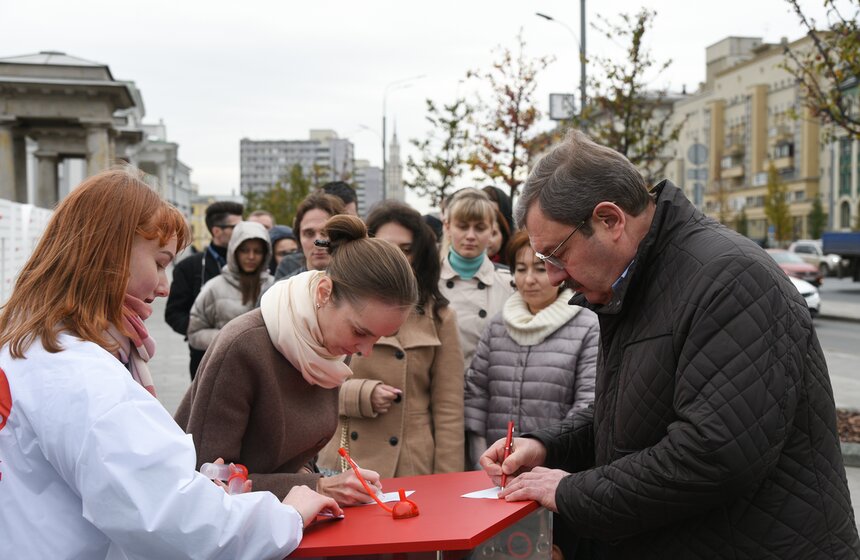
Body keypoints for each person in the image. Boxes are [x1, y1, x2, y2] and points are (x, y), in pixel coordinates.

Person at [481, 130, 860, 558]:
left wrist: (571, 491)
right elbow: (633, 412)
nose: (553, 276)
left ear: (610, 220)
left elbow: (713, 453)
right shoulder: (640, 278)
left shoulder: (731, 279)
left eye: (556, 255)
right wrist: (547, 445)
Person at [0, 168, 339, 559]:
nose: (164, 286)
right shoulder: (86, 377)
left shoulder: (24, 346)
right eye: (160, 263)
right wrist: (286, 515)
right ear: (110, 255)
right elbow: (171, 521)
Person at [175, 215, 419, 505]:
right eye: (360, 332)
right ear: (324, 292)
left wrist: (315, 481)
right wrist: (319, 486)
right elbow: (209, 479)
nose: (365, 350)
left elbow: (296, 456)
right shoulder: (243, 346)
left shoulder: (330, 346)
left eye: (378, 338)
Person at [317, 201, 465, 478]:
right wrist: (360, 394)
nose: (395, 257)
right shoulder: (336, 306)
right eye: (385, 246)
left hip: (410, 464)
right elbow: (309, 390)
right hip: (345, 459)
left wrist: (449, 479)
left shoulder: (441, 317)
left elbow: (448, 410)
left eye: (406, 249)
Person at [464, 230, 598, 468]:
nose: (529, 280)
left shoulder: (587, 326)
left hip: (556, 468)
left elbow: (587, 404)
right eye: (520, 269)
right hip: (497, 469)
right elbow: (476, 397)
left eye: (539, 268)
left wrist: (552, 456)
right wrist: (481, 462)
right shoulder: (497, 326)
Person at [165, 199, 243, 379]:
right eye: (237, 227)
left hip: (247, 357)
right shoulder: (189, 267)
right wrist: (203, 333)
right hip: (204, 358)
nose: (242, 232)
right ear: (217, 231)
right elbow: (174, 313)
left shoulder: (252, 264)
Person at [439, 188, 513, 371]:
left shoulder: (510, 284)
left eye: (480, 228)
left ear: (492, 229)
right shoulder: (428, 282)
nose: (471, 236)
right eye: (462, 226)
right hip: (443, 383)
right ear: (447, 227)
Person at [187, 221, 274, 352]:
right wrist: (230, 340)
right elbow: (195, 333)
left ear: (266, 254)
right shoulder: (214, 288)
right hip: (226, 362)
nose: (251, 256)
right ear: (234, 251)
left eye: (257, 251)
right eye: (245, 250)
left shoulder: (275, 286)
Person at [275, 192, 344, 280]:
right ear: (299, 238)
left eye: (327, 233)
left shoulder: (359, 285)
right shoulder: (283, 288)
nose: (318, 243)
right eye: (309, 234)